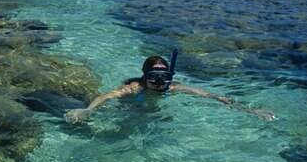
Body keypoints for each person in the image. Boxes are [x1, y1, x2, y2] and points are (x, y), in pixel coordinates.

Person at [65, 51, 276, 123]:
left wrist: (249, 110)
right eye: (153, 76)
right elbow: (106, 96)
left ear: (170, 76)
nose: (159, 82)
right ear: (144, 76)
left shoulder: (172, 87)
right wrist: (88, 110)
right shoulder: (135, 88)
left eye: (163, 77)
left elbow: (213, 96)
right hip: (135, 107)